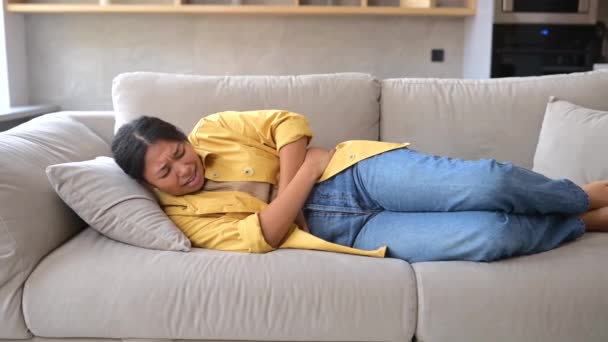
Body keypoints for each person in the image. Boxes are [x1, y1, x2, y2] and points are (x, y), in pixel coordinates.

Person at [111, 110, 608, 263]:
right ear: (147, 183)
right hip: (345, 233)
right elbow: (264, 233)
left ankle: (585, 197)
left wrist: (290, 188)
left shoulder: (212, 128)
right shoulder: (181, 218)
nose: (184, 171)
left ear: (181, 137)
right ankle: (580, 223)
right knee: (492, 235)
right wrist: (303, 173)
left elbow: (287, 125)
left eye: (179, 154)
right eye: (166, 173)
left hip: (352, 173)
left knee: (488, 181)